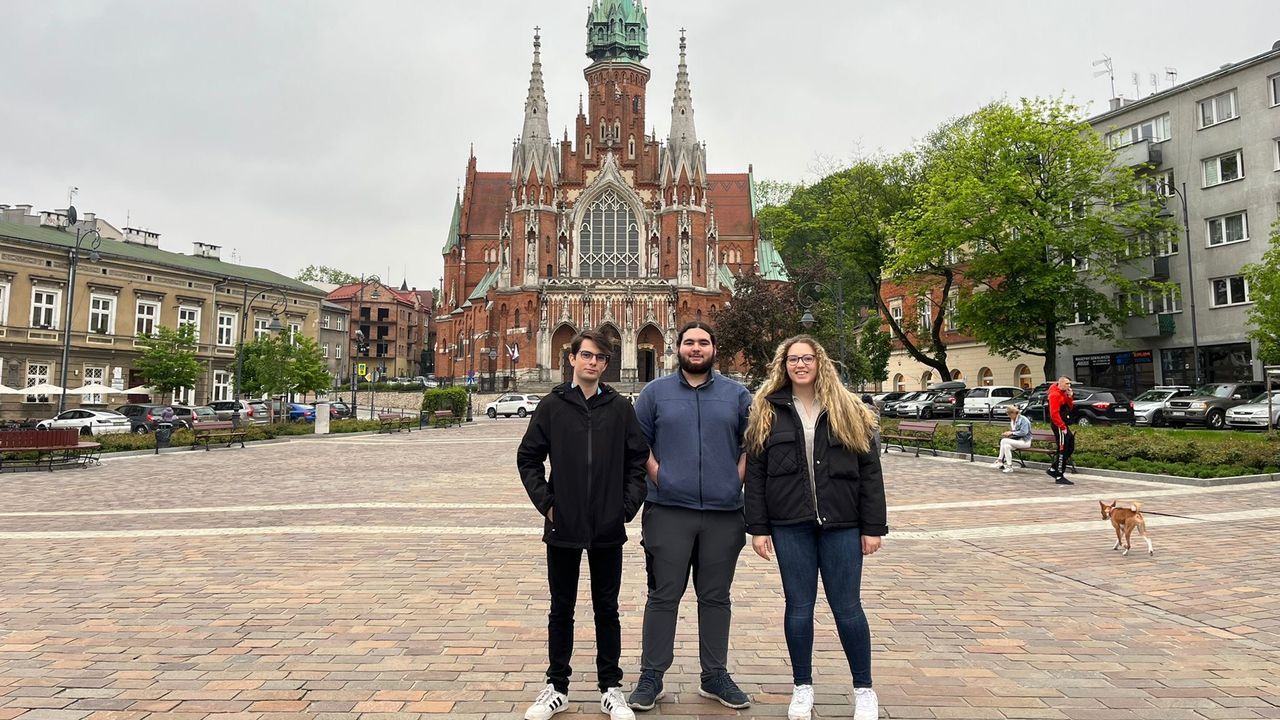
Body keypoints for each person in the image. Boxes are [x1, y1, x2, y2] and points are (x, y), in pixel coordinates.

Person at [743, 335, 887, 720]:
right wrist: (758, 527)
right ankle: (802, 687)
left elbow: (870, 472)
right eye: (793, 359)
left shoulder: (848, 408)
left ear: (820, 362)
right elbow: (755, 473)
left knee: (848, 608)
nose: (800, 365)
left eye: (807, 358)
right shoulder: (767, 408)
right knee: (799, 608)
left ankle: (864, 689)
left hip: (841, 522)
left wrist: (873, 526)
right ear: (783, 365)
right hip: (791, 523)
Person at [517, 329, 650, 720]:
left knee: (607, 609)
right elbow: (528, 459)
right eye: (587, 356)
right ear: (572, 358)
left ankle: (611, 688)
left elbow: (637, 462)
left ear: (607, 364)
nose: (593, 362)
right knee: (562, 608)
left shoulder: (620, 408)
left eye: (600, 358)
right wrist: (548, 505)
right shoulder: (552, 405)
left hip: (608, 525)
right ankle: (556, 686)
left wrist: (625, 508)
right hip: (564, 525)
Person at [628, 321, 753, 711]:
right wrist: (659, 475)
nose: (695, 349)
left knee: (716, 597)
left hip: (723, 512)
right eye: (689, 343)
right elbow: (637, 441)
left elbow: (753, 442)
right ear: (676, 347)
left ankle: (714, 675)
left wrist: (735, 480)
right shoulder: (655, 393)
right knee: (663, 595)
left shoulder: (737, 395)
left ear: (714, 349)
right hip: (668, 510)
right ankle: (652, 675)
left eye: (703, 343)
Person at [1046, 376, 1075, 485]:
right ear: (1061, 383)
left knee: (1070, 444)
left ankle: (1053, 468)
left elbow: (1070, 407)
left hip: (1063, 423)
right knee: (1062, 448)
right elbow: (1054, 414)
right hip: (1059, 425)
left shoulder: (1063, 393)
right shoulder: (1054, 394)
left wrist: (1069, 396)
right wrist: (1062, 427)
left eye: (1069, 384)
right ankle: (1059, 475)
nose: (1069, 386)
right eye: (1067, 384)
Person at [992, 405, 1032, 473]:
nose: (1009, 416)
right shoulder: (1013, 420)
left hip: (1025, 441)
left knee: (1004, 440)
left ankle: (999, 461)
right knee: (1006, 446)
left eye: (1009, 414)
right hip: (1018, 441)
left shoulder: (1023, 420)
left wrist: (1011, 433)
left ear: (1013, 413)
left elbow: (1024, 432)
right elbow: (1015, 431)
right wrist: (1009, 433)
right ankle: (1009, 466)